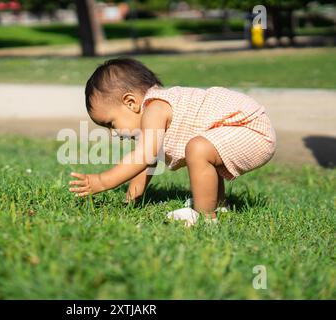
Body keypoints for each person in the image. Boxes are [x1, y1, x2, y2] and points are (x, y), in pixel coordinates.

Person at [68, 58, 276, 227]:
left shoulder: (155, 109)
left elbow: (143, 157)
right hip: (238, 128)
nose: (113, 134)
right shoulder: (155, 111)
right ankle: (218, 205)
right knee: (203, 151)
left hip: (250, 128)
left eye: (111, 124)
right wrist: (131, 200)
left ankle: (204, 218)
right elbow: (146, 164)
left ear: (130, 102)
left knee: (198, 149)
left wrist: (104, 181)